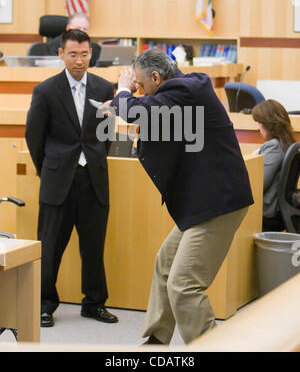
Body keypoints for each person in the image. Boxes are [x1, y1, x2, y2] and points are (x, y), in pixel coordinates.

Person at [102, 48, 254, 345]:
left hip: (217, 203)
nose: (140, 92)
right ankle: (158, 339)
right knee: (165, 264)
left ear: (157, 77)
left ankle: (212, 347)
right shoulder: (180, 92)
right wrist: (127, 101)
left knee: (184, 285)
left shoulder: (186, 90)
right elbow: (148, 116)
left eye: (142, 85)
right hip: (202, 202)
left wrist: (123, 91)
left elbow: (136, 110)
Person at [25, 29, 118, 327]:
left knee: (94, 247)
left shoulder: (105, 88)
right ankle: (44, 304)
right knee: (50, 246)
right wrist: (50, 166)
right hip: (58, 179)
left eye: (85, 54)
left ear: (91, 54)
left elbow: (106, 134)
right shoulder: (46, 91)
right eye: (73, 54)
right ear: (61, 55)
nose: (79, 60)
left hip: (93, 178)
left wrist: (92, 159)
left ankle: (93, 303)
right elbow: (34, 138)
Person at [252, 99, 296, 231]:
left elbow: (257, 185)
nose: (257, 127)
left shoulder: (274, 147)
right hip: (277, 213)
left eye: (259, 122)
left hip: (266, 214)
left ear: (269, 124)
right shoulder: (286, 145)